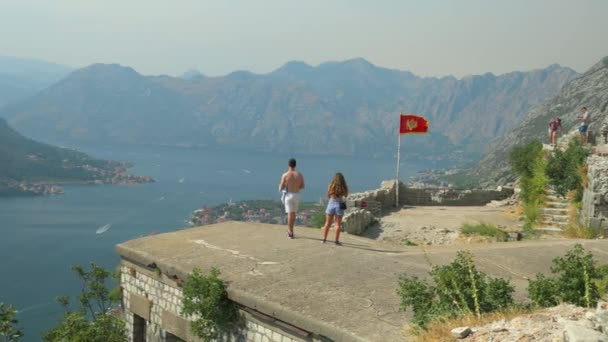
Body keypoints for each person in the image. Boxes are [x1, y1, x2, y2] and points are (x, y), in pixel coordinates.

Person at [278, 158, 305, 239]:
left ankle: (290, 232)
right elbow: (302, 186)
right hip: (296, 194)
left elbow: (281, 187)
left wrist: (285, 186)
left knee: (290, 214)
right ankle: (292, 230)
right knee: (293, 214)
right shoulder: (299, 175)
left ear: (288, 165)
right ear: (295, 165)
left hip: (289, 195)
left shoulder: (285, 175)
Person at [321, 173, 349, 246]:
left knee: (327, 223)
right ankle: (336, 241)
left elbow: (328, 195)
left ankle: (324, 239)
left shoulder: (330, 185)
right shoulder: (344, 186)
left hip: (331, 203)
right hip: (339, 204)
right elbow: (346, 195)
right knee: (338, 224)